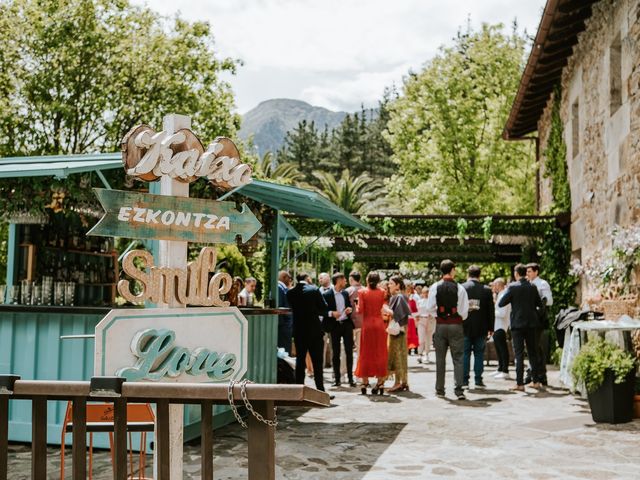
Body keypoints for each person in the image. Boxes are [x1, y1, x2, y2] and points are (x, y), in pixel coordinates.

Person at [426, 259, 469, 400]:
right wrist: (456, 317)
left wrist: (439, 316)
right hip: (456, 325)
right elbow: (464, 311)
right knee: (458, 358)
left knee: (440, 358)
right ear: (452, 270)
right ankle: (459, 390)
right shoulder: (460, 288)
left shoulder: (434, 287)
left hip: (441, 325)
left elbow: (430, 308)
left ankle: (440, 389)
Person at [498, 264, 543, 391]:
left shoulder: (513, 287)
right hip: (531, 323)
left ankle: (520, 384)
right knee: (532, 352)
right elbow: (539, 305)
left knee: (519, 354)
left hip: (517, 325)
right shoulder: (533, 287)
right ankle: (536, 381)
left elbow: (501, 303)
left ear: (516, 274)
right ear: (526, 273)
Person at [287, 273, 329, 392]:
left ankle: (299, 388)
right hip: (314, 330)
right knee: (317, 361)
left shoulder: (290, 293)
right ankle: (320, 389)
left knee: (300, 360)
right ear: (307, 279)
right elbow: (324, 307)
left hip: (299, 331)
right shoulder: (314, 290)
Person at [354, 272, 388, 395]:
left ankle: (364, 381)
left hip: (367, 325)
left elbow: (360, 310)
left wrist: (356, 303)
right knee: (380, 353)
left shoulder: (362, 292)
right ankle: (380, 383)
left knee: (365, 353)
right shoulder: (382, 292)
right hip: (379, 325)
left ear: (367, 280)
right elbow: (383, 307)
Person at [462, 265, 494, 389]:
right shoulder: (486, 290)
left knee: (465, 353)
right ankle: (478, 380)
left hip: (465, 326)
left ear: (468, 275)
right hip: (482, 327)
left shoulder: (462, 288)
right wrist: (491, 328)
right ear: (479, 275)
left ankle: (464, 381)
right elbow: (490, 310)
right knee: (479, 353)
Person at [322, 273, 355, 387]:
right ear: (339, 280)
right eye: (344, 279)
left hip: (346, 324)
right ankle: (337, 379)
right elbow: (322, 311)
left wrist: (348, 309)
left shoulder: (345, 293)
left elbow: (348, 306)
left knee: (349, 352)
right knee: (335, 353)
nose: (346, 281)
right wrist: (332, 314)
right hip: (334, 326)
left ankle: (351, 379)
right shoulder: (327, 295)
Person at [526, 263, 553, 386]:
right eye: (527, 272)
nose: (528, 274)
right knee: (532, 347)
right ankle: (534, 374)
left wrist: (537, 307)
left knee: (536, 348)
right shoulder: (527, 284)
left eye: (530, 271)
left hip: (538, 320)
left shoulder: (542, 284)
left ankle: (539, 375)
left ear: (536, 272)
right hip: (528, 320)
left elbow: (548, 301)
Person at [387, 276, 412, 392]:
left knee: (396, 355)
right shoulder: (401, 296)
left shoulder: (399, 297)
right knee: (401, 355)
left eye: (391, 283)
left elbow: (398, 314)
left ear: (397, 285)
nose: (389, 285)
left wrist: (386, 310)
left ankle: (398, 382)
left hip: (398, 331)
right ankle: (403, 381)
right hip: (401, 330)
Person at [492, 278, 511, 379]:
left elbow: (502, 313)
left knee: (502, 348)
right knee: (498, 348)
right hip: (497, 326)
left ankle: (505, 370)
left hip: (501, 326)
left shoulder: (504, 295)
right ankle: (500, 368)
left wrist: (491, 312)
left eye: (494, 285)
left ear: (499, 285)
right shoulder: (500, 295)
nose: (493, 287)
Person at [346, 271, 364, 359]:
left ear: (351, 279)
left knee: (346, 347)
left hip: (350, 323)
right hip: (362, 322)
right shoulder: (365, 290)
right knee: (360, 348)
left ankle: (345, 369)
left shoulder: (347, 291)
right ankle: (359, 369)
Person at [416, 287, 436, 364]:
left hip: (430, 320)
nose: (426, 294)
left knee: (428, 338)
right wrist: (416, 316)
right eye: (424, 292)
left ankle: (426, 353)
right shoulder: (419, 301)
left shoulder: (432, 302)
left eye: (427, 292)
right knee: (421, 338)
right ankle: (420, 354)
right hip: (421, 320)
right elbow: (416, 311)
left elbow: (435, 311)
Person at [277, 271, 293, 354]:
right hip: (283, 326)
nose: (290, 280)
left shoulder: (282, 288)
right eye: (289, 278)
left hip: (285, 325)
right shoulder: (279, 288)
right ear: (284, 277)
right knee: (284, 350)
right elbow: (279, 306)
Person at [405, 282, 420, 355]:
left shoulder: (416, 296)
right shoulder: (405, 296)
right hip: (408, 318)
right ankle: (409, 349)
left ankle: (416, 348)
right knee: (408, 334)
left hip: (414, 317)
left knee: (415, 334)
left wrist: (417, 316)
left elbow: (418, 307)